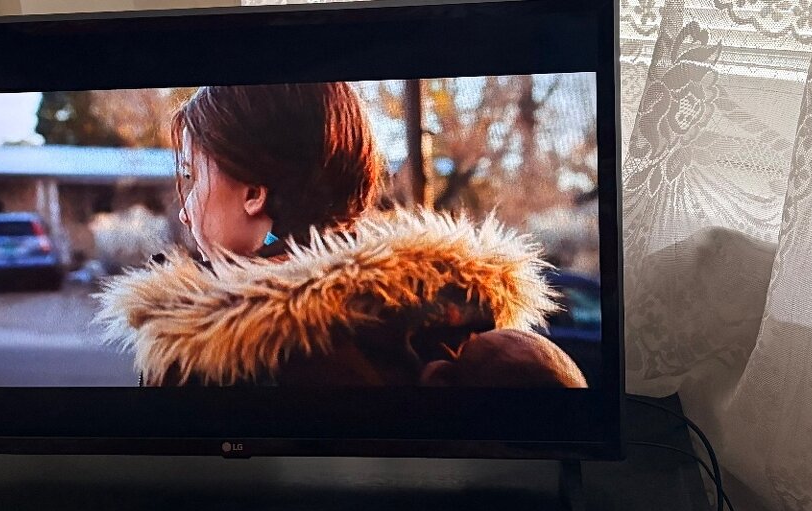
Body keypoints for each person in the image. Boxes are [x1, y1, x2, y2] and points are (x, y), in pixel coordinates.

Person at [95, 83, 585, 388]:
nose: (185, 212)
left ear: (254, 193)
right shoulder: (459, 321)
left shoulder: (213, 353)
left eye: (191, 176)